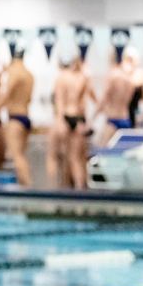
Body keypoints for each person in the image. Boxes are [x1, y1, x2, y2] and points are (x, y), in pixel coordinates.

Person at [52, 54, 95, 189]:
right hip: (80, 118)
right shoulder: (84, 78)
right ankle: (79, 187)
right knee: (78, 158)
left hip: (67, 117)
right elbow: (90, 100)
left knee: (68, 157)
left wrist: (59, 121)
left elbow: (59, 102)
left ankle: (74, 189)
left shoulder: (61, 78)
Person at [0, 50, 34, 188]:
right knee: (20, 156)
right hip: (25, 117)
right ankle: (23, 187)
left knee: (16, 157)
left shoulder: (14, 72)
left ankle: (29, 189)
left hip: (15, 119)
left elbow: (6, 93)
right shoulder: (29, 75)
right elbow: (28, 98)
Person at [97, 54, 135, 143]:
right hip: (125, 118)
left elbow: (104, 99)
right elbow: (130, 99)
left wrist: (93, 118)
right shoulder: (128, 79)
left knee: (105, 152)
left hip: (112, 119)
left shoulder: (111, 76)